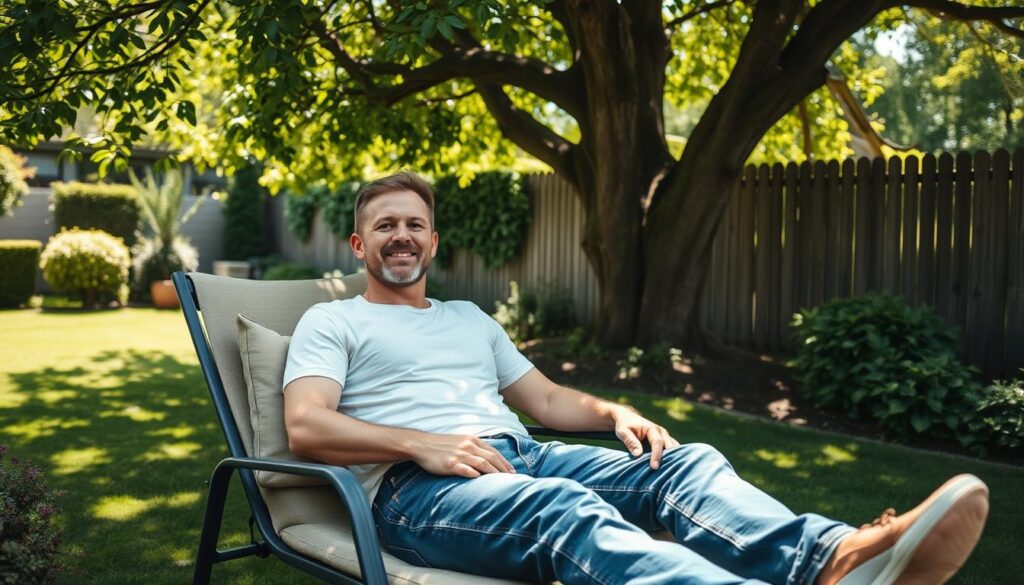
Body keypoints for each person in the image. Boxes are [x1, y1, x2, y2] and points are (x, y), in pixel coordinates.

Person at [282, 171, 989, 585]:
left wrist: (617, 411)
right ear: (359, 243)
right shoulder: (335, 321)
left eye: (414, 224)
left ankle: (830, 558)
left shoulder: (469, 315)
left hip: (517, 454)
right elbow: (306, 424)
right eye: (384, 226)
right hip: (417, 491)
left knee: (679, 464)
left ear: (434, 241)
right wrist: (419, 445)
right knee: (560, 508)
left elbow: (547, 399)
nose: (400, 235)